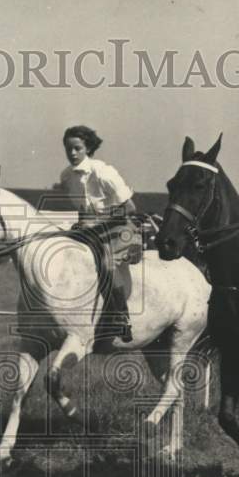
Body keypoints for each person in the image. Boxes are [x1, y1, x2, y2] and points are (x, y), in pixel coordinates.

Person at [58, 125, 138, 342]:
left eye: (77, 148)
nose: (72, 154)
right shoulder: (66, 176)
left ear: (88, 148)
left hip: (120, 228)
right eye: (68, 149)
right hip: (92, 231)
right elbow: (82, 210)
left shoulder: (103, 172)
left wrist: (96, 223)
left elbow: (129, 208)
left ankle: (122, 317)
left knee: (105, 262)